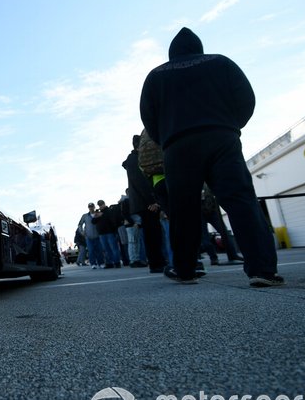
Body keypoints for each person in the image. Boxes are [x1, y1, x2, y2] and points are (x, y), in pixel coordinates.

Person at [139, 27, 282, 286]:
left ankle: (185, 269)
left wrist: (168, 140)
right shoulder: (221, 62)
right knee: (241, 201)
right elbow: (246, 99)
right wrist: (230, 127)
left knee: (183, 209)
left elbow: (148, 117)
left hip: (178, 146)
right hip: (222, 139)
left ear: (172, 53)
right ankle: (263, 270)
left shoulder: (156, 76)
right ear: (199, 47)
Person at [122, 135, 166, 273]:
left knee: (153, 233)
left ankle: (157, 262)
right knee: (153, 234)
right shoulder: (134, 159)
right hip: (145, 202)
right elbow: (140, 182)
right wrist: (152, 201)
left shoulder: (133, 159)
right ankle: (156, 263)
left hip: (144, 202)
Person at [93, 199, 122, 268]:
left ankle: (117, 262)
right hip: (101, 233)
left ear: (104, 204)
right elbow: (93, 221)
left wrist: (102, 215)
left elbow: (113, 220)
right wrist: (96, 216)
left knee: (114, 248)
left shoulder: (109, 211)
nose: (100, 206)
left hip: (110, 232)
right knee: (106, 249)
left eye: (101, 204)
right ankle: (109, 263)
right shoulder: (97, 213)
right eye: (99, 205)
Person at [77, 203, 104, 269]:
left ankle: (101, 263)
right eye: (89, 207)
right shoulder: (85, 216)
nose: (91, 208)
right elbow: (80, 224)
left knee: (99, 250)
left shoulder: (97, 214)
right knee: (91, 251)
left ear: (94, 207)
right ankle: (93, 264)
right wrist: (82, 232)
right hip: (88, 236)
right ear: (88, 208)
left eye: (92, 207)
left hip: (98, 236)